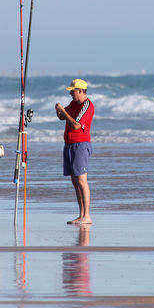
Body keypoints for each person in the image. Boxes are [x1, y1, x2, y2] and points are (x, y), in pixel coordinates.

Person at [55, 78, 95, 225]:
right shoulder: (73, 103)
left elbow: (76, 125)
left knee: (82, 180)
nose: (71, 94)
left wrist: (64, 113)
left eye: (73, 91)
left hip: (81, 145)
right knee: (74, 181)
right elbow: (63, 117)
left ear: (80, 91)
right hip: (69, 144)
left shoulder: (87, 105)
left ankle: (87, 215)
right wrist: (59, 111)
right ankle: (81, 214)